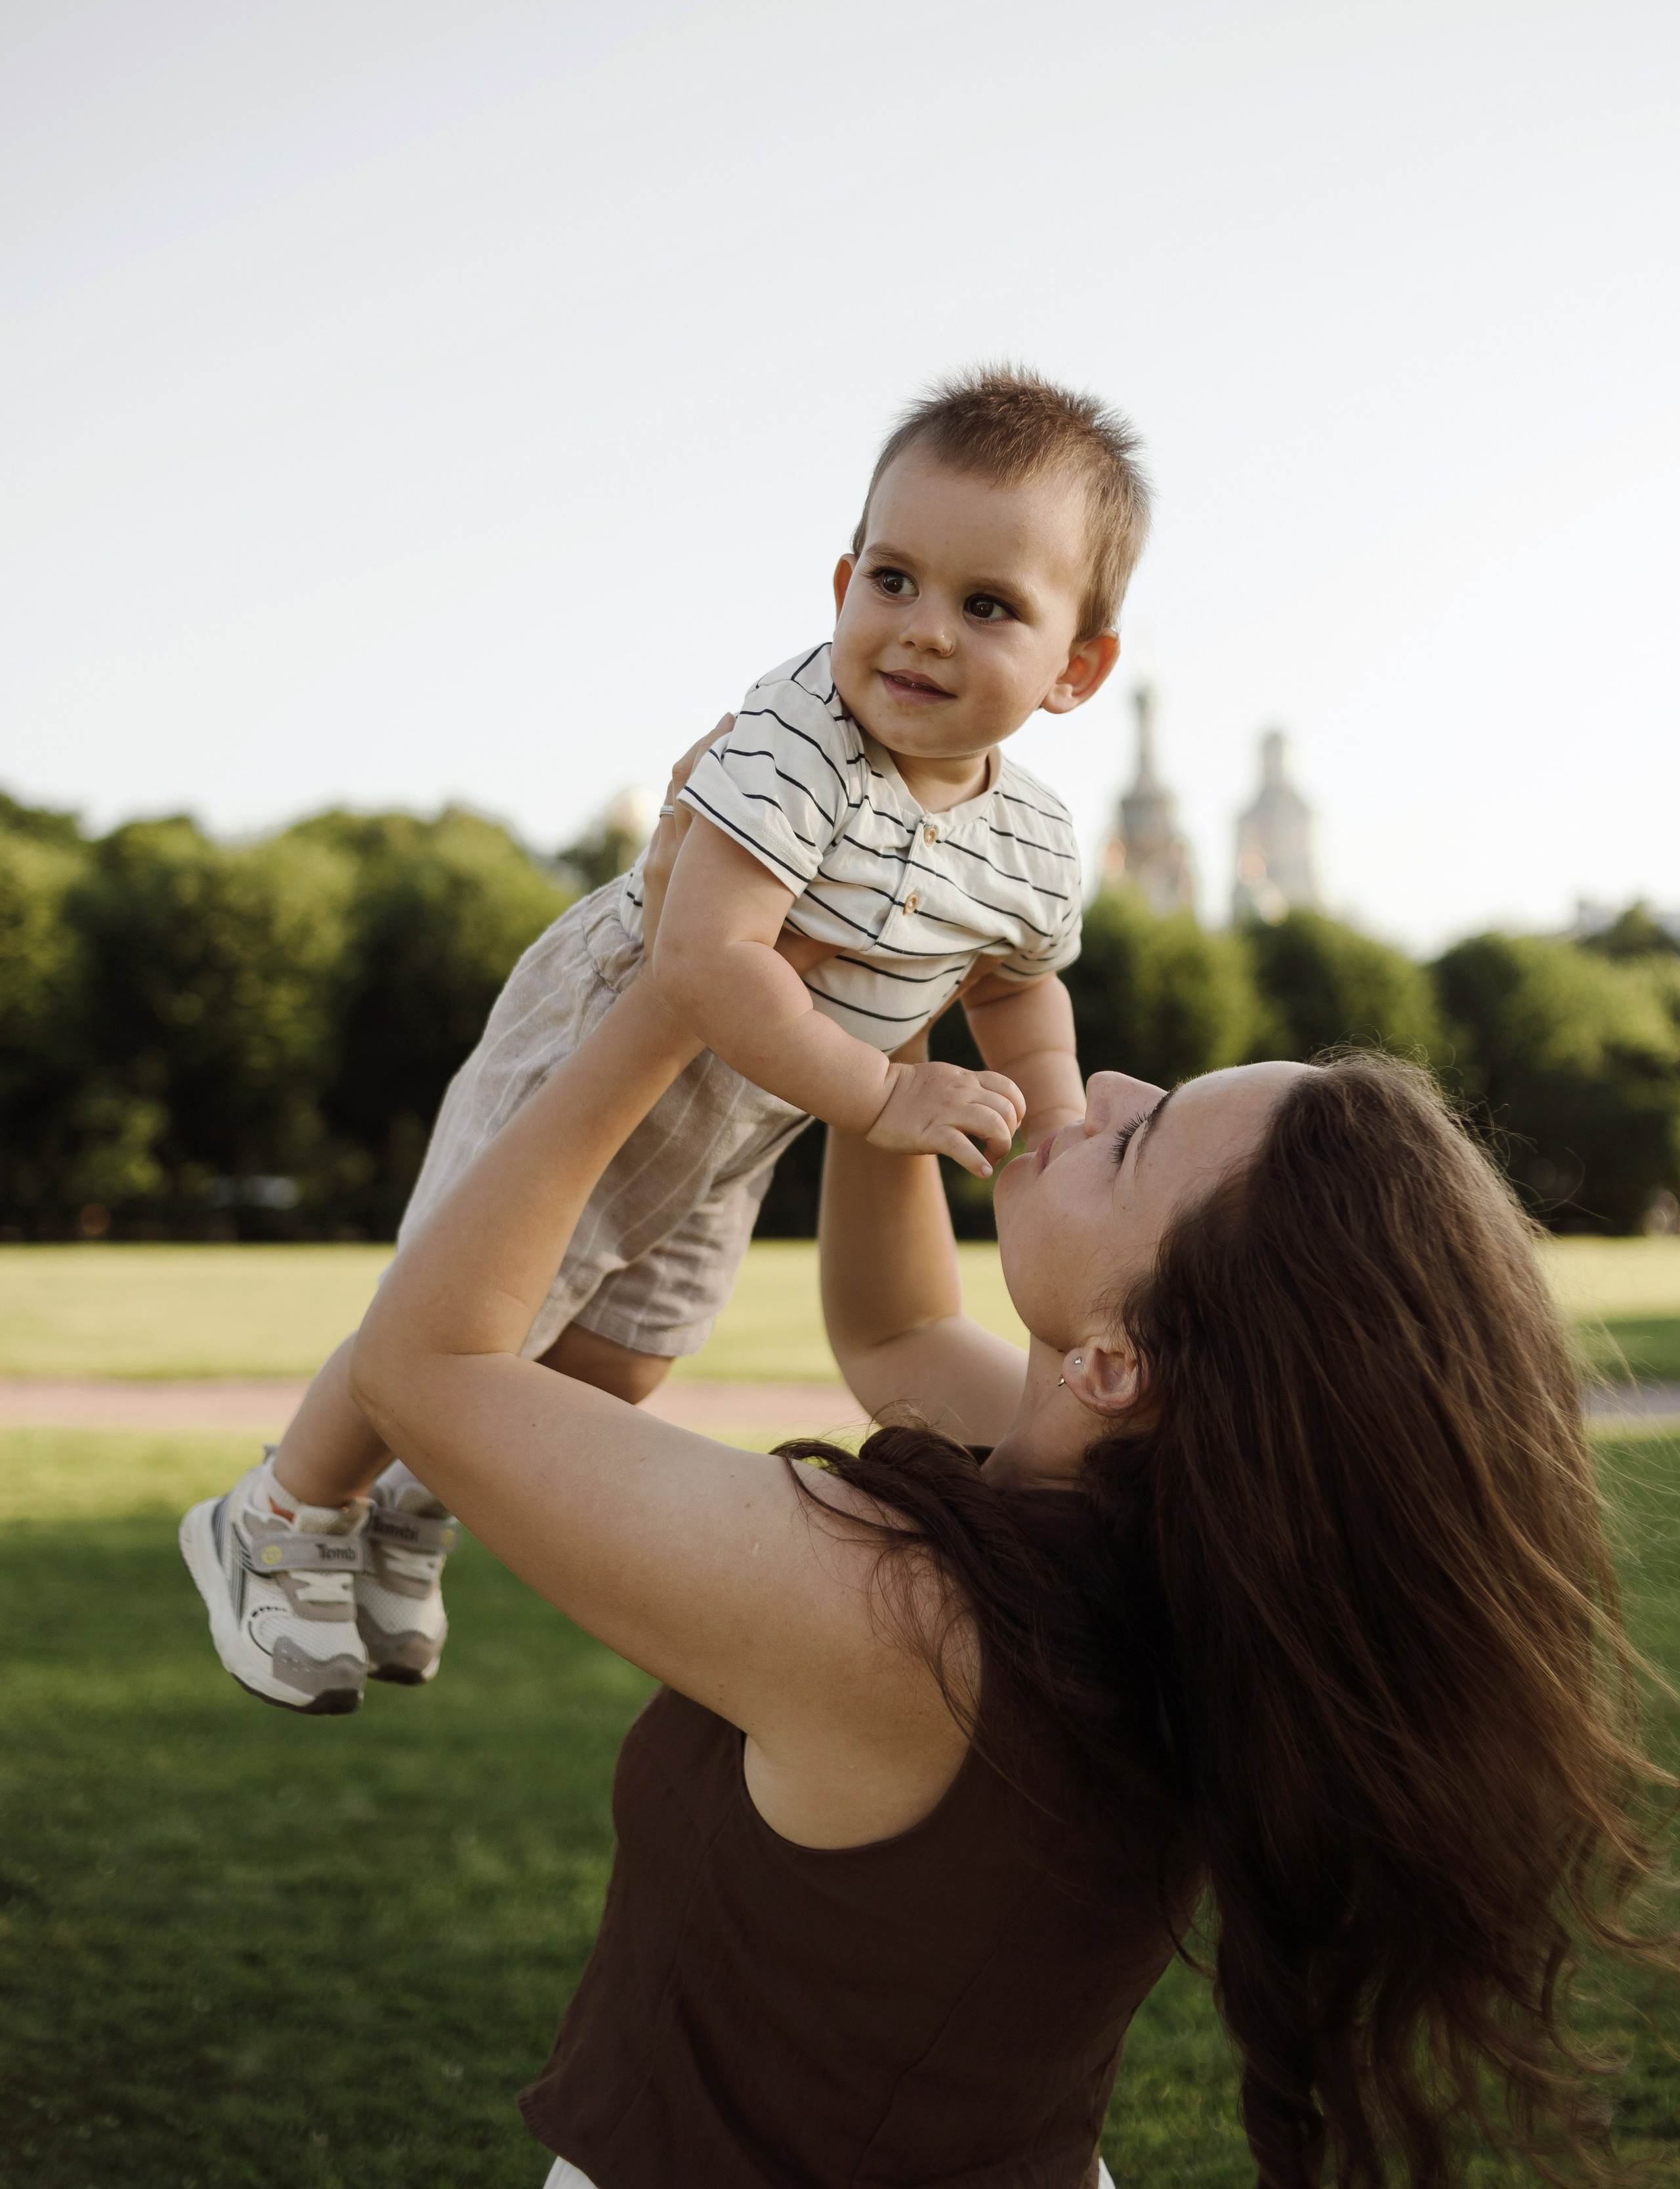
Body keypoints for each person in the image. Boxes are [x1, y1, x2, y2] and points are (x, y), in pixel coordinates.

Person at [340, 766, 1668, 2189]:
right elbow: (895, 1332)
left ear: (1117, 1362)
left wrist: (678, 995)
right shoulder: (1163, 1543)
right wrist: (894, 1011)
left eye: (1142, 1136)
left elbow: (424, 1374)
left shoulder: (898, 1622)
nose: (1101, 1084)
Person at [181, 366, 1148, 1710]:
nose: (920, 631)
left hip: (748, 1108)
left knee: (625, 1355)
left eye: (986, 606)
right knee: (468, 1303)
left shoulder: (1030, 840)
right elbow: (703, 959)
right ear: (839, 584)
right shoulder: (795, 737)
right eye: (891, 579)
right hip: (607, 1039)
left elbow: (1015, 990)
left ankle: (415, 1498)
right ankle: (278, 1520)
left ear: (1075, 668)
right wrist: (880, 1098)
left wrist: (1043, 1109)